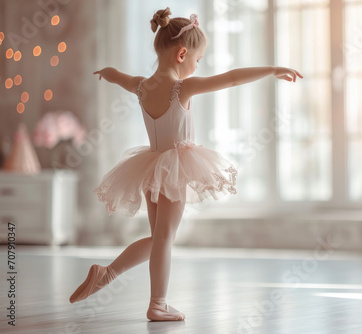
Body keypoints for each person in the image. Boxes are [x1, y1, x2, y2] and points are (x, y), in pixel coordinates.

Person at [68, 7, 302, 321]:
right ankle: (157, 303)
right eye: (198, 59)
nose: (197, 65)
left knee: (158, 238)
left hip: (150, 168)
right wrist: (272, 69)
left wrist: (106, 73)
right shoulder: (182, 88)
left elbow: (115, 76)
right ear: (181, 54)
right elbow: (231, 79)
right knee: (164, 238)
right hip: (174, 169)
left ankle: (107, 274)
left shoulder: (141, 86)